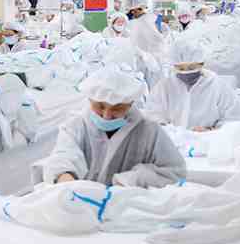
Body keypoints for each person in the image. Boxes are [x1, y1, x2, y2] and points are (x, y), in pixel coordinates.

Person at [35, 67, 185, 187]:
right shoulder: (75, 126)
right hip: (83, 203)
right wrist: (65, 176)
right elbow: (65, 155)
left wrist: (129, 181)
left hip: (128, 204)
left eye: (117, 108)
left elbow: (174, 171)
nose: (106, 116)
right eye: (100, 106)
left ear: (130, 104)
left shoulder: (149, 131)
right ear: (90, 100)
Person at [146, 39, 240, 131]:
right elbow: (153, 117)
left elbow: (234, 120)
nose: (186, 72)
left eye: (192, 67)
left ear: (201, 64)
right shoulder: (164, 88)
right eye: (181, 68)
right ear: (174, 66)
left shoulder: (217, 86)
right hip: (173, 140)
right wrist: (168, 130)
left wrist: (211, 130)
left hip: (210, 140)